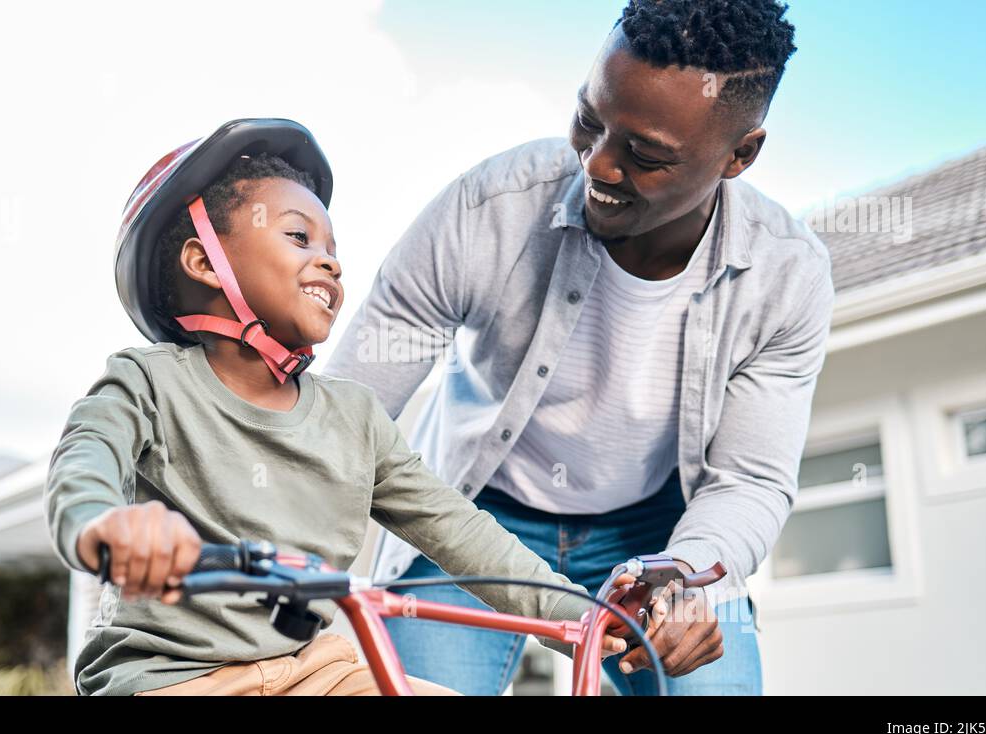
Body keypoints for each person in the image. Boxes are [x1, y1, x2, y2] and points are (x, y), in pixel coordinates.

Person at [325, 0, 834, 696]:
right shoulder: (489, 208)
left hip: (661, 536)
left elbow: (749, 480)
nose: (596, 164)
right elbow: (345, 414)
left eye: (645, 155)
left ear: (739, 155)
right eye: (589, 121)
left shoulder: (787, 274)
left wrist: (688, 573)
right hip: (471, 512)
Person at [43, 119, 628, 696]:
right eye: (299, 238)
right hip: (168, 677)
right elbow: (84, 461)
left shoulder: (355, 418)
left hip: (315, 671)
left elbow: (462, 531)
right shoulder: (148, 381)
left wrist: (579, 617)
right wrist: (106, 522)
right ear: (203, 262)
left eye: (332, 248)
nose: (332, 263)